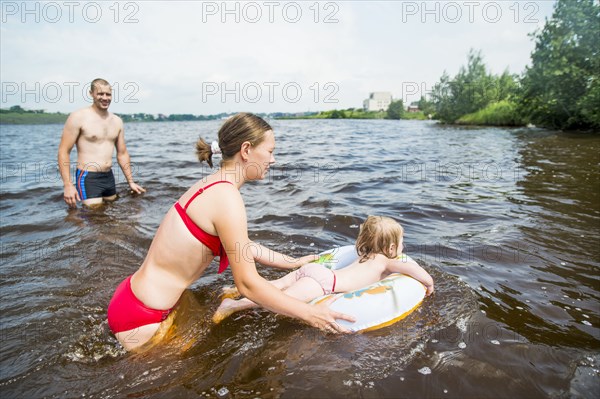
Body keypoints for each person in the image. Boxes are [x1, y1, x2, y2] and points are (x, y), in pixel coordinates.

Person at [107, 113, 355, 351]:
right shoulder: (227, 198)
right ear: (246, 150)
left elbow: (242, 245)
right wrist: (311, 314)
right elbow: (248, 284)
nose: (273, 160)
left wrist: (293, 262)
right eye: (270, 151)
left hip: (131, 297)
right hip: (142, 319)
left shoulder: (212, 184)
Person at [213, 216, 435, 323]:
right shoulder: (387, 261)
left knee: (278, 286)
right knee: (277, 300)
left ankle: (234, 289)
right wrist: (429, 283)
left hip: (316, 271)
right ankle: (234, 304)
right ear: (392, 247)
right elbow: (415, 271)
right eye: (402, 243)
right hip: (323, 284)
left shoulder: (364, 253)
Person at [58, 78, 145, 207]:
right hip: (88, 176)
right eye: (100, 94)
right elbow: (63, 151)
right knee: (93, 217)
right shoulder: (78, 117)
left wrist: (130, 182)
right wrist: (68, 185)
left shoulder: (117, 121)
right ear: (91, 93)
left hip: (108, 176)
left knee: (111, 213)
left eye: (108, 94)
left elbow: (122, 154)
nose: (105, 98)